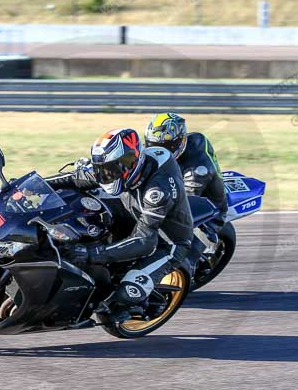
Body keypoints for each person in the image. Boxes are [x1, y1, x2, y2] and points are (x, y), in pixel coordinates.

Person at [50, 128, 193, 324]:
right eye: (101, 168)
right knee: (83, 213)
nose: (105, 175)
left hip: (166, 242)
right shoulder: (120, 168)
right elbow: (76, 178)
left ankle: (129, 307)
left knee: (126, 294)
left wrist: (92, 253)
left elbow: (145, 241)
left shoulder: (157, 192)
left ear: (130, 163)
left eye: (110, 169)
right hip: (131, 212)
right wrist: (29, 185)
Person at [144, 112, 228, 238]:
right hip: (175, 182)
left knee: (180, 241)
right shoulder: (190, 140)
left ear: (181, 141)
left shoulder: (197, 171)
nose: (160, 151)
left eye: (166, 146)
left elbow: (184, 207)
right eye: (153, 145)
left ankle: (207, 239)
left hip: (210, 209)